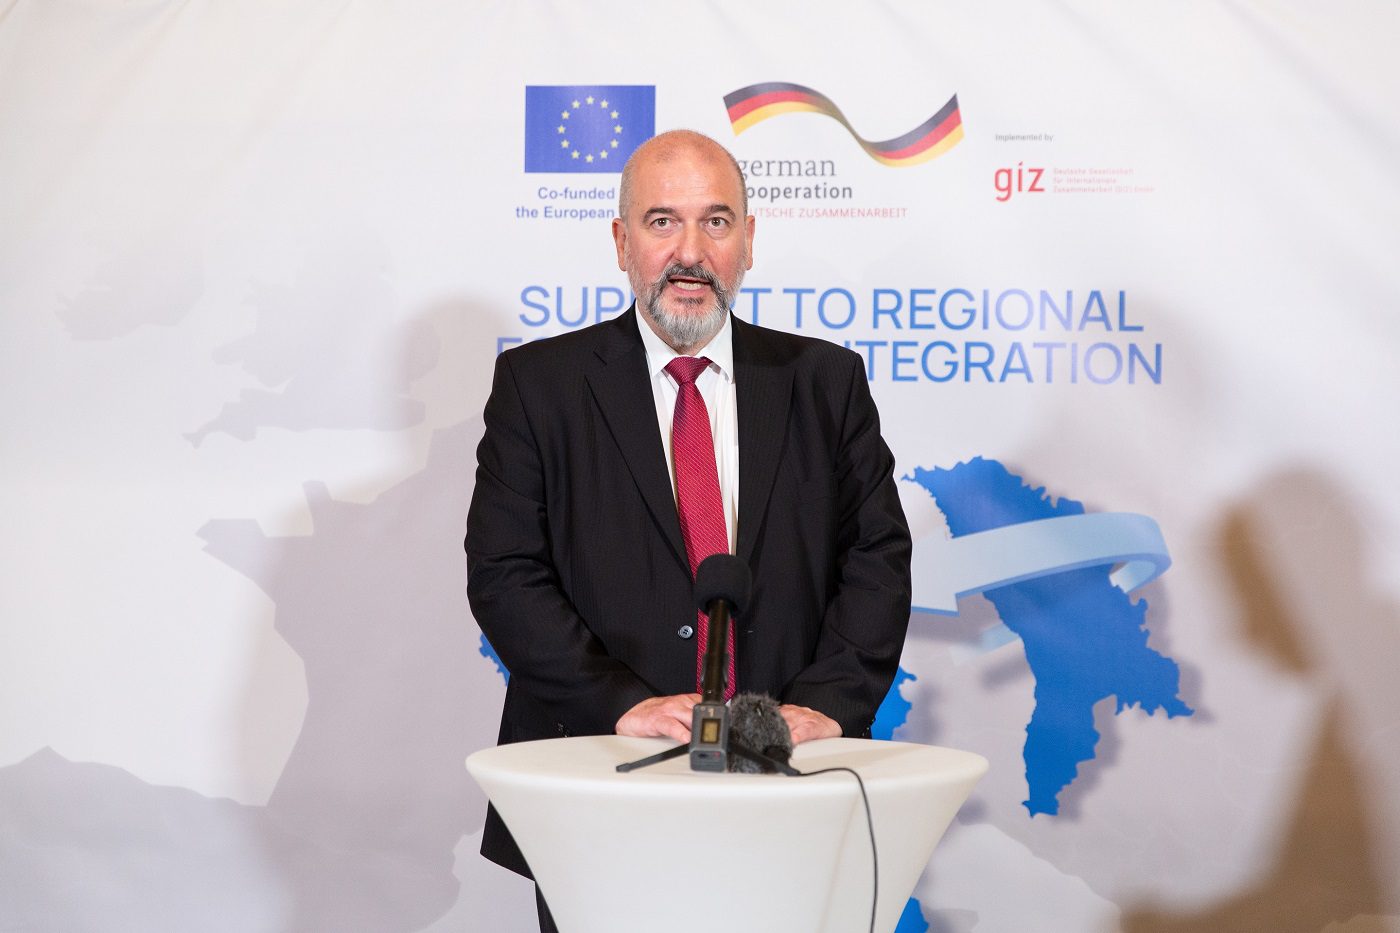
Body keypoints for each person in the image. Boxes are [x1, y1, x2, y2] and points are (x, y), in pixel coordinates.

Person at [465, 129, 912, 931]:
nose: (691, 252)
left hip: (792, 788)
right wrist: (622, 703)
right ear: (621, 241)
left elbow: (877, 558)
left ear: (749, 241)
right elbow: (505, 572)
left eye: (716, 221)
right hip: (600, 776)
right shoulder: (539, 387)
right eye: (663, 221)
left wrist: (826, 706)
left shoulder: (826, 382)